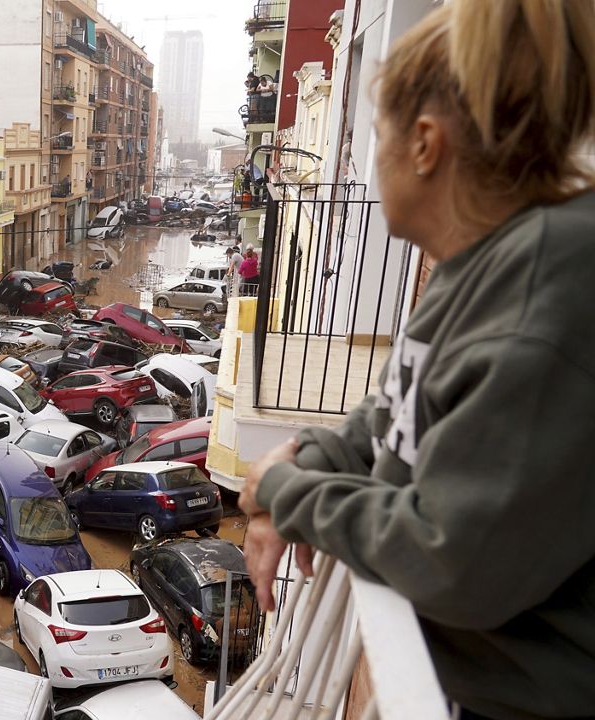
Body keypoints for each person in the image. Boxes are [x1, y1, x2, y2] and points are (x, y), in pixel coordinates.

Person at [237, 2, 595, 719]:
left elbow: (451, 558)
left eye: (378, 135)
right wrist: (312, 455)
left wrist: (289, 494)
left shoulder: (544, 294)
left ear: (425, 144)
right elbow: (395, 408)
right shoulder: (480, 264)